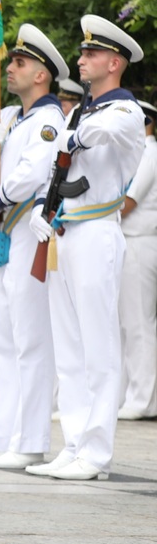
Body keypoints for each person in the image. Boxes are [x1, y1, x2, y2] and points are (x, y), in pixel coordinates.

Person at [28, 15, 146, 480]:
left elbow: (108, 134)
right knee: (70, 347)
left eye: (90, 53)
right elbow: (56, 169)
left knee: (99, 346)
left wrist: (76, 134)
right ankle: (74, 443)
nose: (81, 59)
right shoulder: (83, 112)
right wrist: (43, 207)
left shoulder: (124, 110)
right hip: (64, 232)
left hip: (98, 231)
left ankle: (97, 452)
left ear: (113, 62)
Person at [0, 24, 67, 469]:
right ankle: (5, 437)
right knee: (0, 343)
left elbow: (30, 172)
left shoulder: (47, 120)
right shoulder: (13, 117)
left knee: (29, 341)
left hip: (26, 229)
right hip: (2, 235)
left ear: (41, 74)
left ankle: (31, 441)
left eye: (20, 63)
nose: (12, 69)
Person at [118, 100, 157, 420]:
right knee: (123, 325)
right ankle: (129, 394)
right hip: (125, 241)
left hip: (139, 241)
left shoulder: (148, 152)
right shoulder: (134, 152)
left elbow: (128, 201)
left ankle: (143, 399)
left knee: (139, 323)